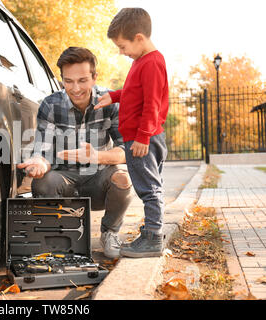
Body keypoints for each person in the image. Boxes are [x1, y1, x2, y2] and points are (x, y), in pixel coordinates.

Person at [17, 47, 133, 259]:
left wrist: (95, 157)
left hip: (99, 180)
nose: (76, 88)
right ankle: (59, 238)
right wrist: (40, 163)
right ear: (61, 79)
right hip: (64, 181)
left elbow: (126, 150)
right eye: (68, 81)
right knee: (42, 182)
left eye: (82, 80)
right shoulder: (50, 105)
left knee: (123, 178)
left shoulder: (110, 103)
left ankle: (109, 232)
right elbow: (43, 150)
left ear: (94, 77)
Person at [94, 8, 169, 258]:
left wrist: (142, 137)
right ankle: (151, 232)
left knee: (149, 188)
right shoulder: (141, 61)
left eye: (122, 46)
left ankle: (154, 238)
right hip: (140, 136)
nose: (121, 52)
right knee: (149, 186)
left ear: (139, 38)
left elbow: (152, 104)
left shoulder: (152, 63)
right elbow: (135, 92)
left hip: (142, 138)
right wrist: (114, 96)